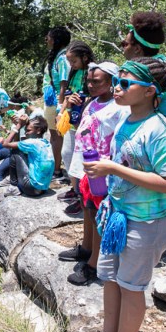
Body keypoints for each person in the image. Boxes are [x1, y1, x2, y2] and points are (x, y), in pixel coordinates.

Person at [72, 57, 166, 332]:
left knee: (131, 286)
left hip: (147, 222)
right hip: (120, 216)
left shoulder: (160, 131)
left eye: (125, 83)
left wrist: (113, 169)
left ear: (149, 91)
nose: (118, 88)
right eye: (117, 82)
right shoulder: (127, 120)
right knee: (110, 278)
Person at [57, 61, 127, 286]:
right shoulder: (92, 102)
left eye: (96, 81)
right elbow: (76, 130)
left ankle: (94, 265)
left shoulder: (119, 107)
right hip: (87, 166)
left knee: (99, 214)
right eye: (89, 80)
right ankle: (86, 248)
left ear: (111, 82)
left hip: (104, 169)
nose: (90, 84)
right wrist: (70, 107)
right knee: (87, 207)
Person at [57, 40, 96, 216]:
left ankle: (83, 196)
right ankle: (76, 190)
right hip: (72, 120)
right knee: (67, 154)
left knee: (80, 159)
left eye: (73, 61)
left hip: (86, 122)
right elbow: (68, 94)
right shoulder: (74, 73)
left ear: (85, 57)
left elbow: (98, 96)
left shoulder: (93, 72)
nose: (71, 65)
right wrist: (62, 111)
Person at [120, 11, 166, 122]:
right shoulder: (165, 63)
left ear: (137, 49)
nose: (123, 47)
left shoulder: (147, 71)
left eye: (125, 44)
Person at [41, 27, 71, 179]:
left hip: (56, 101)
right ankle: (56, 167)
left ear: (56, 39)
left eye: (49, 36)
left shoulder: (63, 58)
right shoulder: (56, 56)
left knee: (57, 135)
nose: (47, 39)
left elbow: (64, 83)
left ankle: (57, 170)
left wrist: (60, 105)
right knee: (53, 135)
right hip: (50, 98)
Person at [0, 115, 54, 197]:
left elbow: (6, 144)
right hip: (43, 189)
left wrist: (19, 125)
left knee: (15, 152)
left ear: (38, 131)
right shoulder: (45, 143)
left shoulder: (32, 143)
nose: (25, 133)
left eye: (28, 130)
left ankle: (13, 187)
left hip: (31, 189)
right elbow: (18, 143)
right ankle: (15, 180)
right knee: (20, 150)